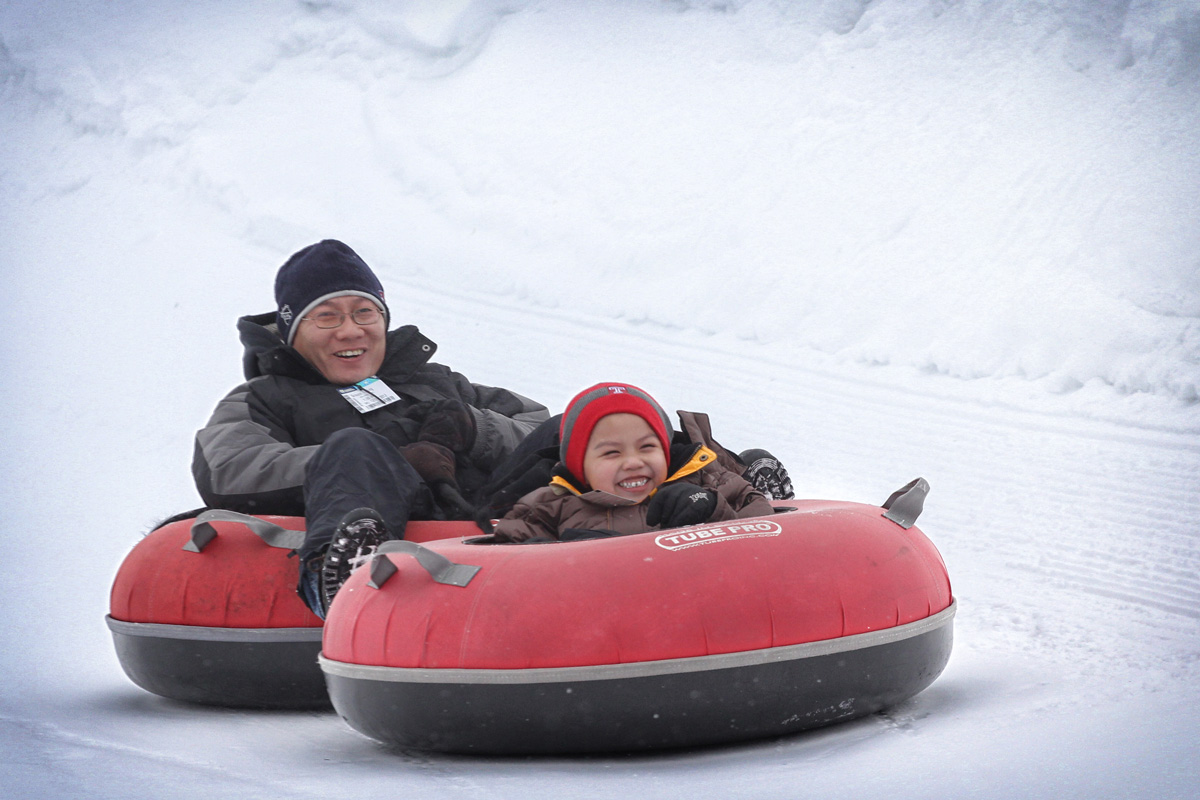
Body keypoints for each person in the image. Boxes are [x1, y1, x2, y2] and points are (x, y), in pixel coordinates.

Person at [192, 239, 549, 616]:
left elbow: (541, 425)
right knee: (355, 448)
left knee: (585, 427)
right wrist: (387, 465)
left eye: (365, 313)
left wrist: (475, 428)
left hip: (477, 520)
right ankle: (342, 581)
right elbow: (231, 466)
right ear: (292, 331)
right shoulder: (265, 397)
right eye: (327, 317)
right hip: (374, 534)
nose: (350, 331)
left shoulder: (437, 382)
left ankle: (599, 550)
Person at [486, 382, 777, 542]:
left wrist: (712, 508)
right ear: (580, 465)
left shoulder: (707, 482)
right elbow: (505, 556)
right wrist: (557, 556)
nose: (633, 462)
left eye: (647, 447)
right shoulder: (548, 507)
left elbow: (769, 525)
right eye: (612, 453)